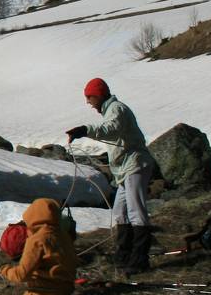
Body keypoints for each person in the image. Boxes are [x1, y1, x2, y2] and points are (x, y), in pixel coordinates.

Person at [66, 77, 156, 273]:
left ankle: (140, 259)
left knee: (135, 211)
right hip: (125, 169)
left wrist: (85, 130)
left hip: (134, 165)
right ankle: (124, 254)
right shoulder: (112, 110)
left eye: (90, 97)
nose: (88, 102)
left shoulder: (116, 109)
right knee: (120, 212)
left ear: (98, 95)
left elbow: (111, 129)